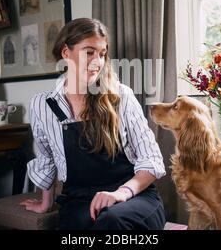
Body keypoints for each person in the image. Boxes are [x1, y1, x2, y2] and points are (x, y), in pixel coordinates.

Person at [20, 18, 166, 230]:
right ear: (65, 53)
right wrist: (46, 203)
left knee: (111, 221)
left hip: (132, 197)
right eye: (89, 52)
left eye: (102, 53)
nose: (97, 62)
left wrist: (120, 193)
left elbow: (151, 160)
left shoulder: (120, 96)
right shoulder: (43, 105)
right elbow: (47, 158)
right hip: (79, 201)